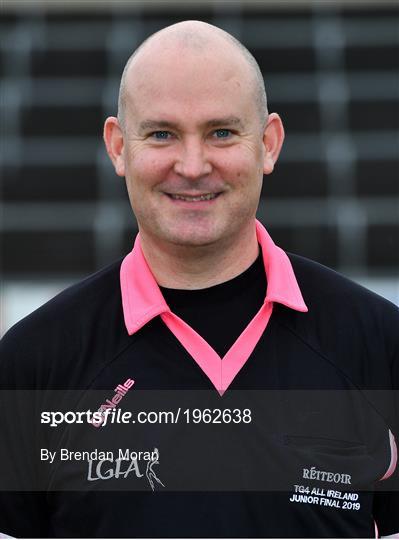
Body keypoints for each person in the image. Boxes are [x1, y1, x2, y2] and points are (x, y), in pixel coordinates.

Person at [0, 20, 398, 538]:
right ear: (119, 146)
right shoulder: (32, 365)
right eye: (162, 133)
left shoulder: (381, 345)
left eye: (222, 132)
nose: (192, 165)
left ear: (269, 143)